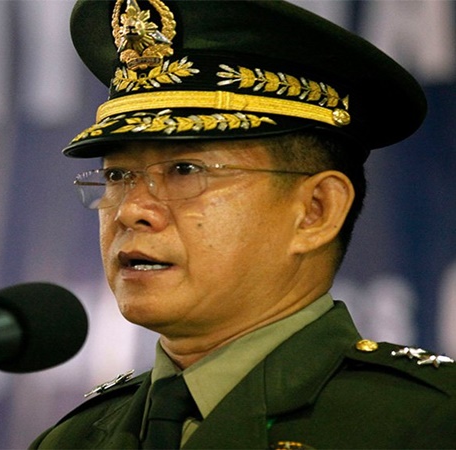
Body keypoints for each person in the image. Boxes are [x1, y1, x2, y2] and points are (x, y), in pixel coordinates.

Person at [30, 0, 456, 449]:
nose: (130, 210)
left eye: (185, 170)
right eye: (118, 176)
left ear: (316, 210)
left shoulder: (430, 424)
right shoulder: (70, 440)